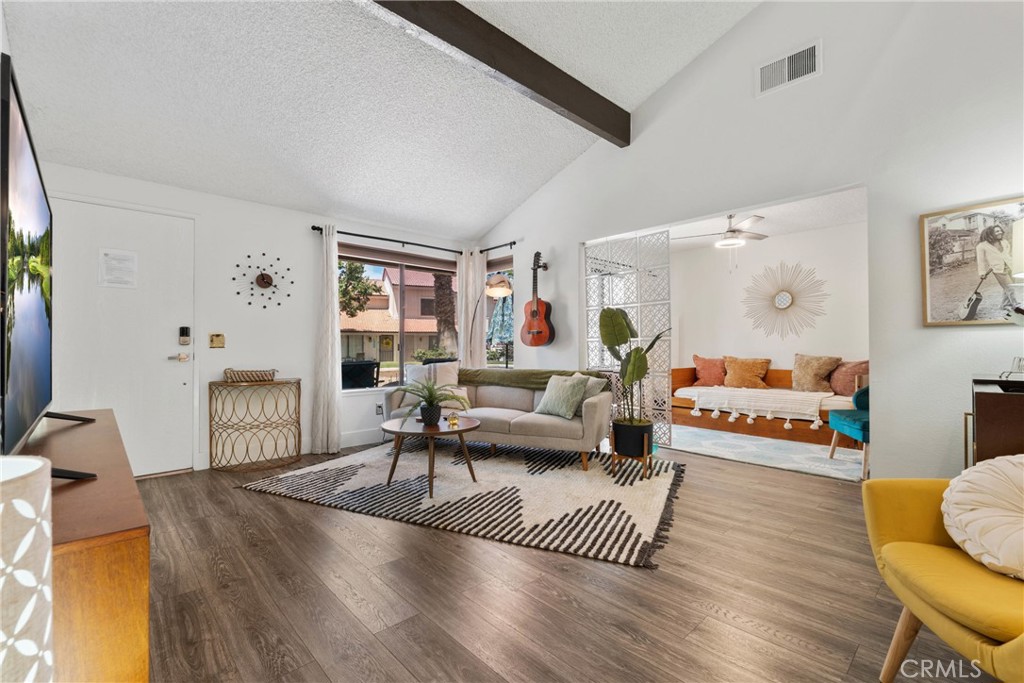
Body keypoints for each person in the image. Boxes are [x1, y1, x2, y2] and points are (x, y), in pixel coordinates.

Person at [976, 224, 1019, 312]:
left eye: (1000, 231)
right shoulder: (982, 246)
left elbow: (1007, 254)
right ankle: (1016, 305)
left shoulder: (1004, 242)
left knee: (1007, 288)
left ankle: (1005, 305)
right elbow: (981, 261)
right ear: (990, 234)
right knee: (1010, 287)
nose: (1000, 232)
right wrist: (982, 272)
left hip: (1010, 266)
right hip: (999, 270)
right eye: (997, 231)